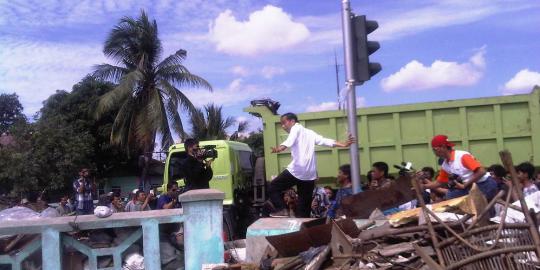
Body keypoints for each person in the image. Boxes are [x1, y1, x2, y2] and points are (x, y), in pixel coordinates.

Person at [267, 112, 355, 218]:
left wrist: (280, 148)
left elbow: (289, 140)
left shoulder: (295, 128)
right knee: (304, 206)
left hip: (297, 170)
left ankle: (282, 209)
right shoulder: (310, 133)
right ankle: (303, 227)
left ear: (292, 121)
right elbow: (324, 141)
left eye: (284, 123)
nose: (283, 126)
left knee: (273, 187)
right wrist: (343, 144)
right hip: (309, 175)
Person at [426, 135, 497, 202]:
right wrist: (423, 187)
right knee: (451, 195)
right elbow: (439, 182)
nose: (434, 153)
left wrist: (465, 185)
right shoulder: (445, 165)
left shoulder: (462, 156)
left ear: (443, 147)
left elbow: (481, 171)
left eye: (435, 149)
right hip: (470, 186)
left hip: (485, 184)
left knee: (480, 207)